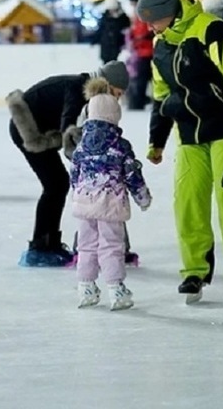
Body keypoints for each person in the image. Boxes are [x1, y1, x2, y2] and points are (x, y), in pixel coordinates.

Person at [136, 0, 223, 310]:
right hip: (189, 134)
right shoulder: (161, 45)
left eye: (154, 21)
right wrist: (156, 140)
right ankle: (195, 271)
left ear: (171, 11)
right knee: (188, 201)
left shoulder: (212, 29)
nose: (150, 27)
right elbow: (162, 96)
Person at [6, 61, 129, 267]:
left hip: (42, 128)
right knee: (55, 185)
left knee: (57, 184)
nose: (117, 99)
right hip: (28, 130)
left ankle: (47, 243)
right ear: (107, 85)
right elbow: (68, 124)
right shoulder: (78, 89)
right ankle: (41, 248)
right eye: (117, 93)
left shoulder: (89, 92)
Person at [70, 91, 152, 311]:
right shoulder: (120, 146)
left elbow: (74, 175)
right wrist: (143, 198)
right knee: (112, 246)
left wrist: (77, 196)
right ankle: (116, 289)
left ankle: (85, 287)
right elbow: (133, 174)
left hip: (84, 204)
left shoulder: (81, 146)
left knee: (85, 246)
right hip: (110, 204)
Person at [126, 0, 154, 111]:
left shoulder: (145, 14)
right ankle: (139, 101)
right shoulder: (137, 15)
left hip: (147, 51)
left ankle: (139, 102)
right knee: (140, 79)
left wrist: (139, 38)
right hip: (141, 51)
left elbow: (148, 31)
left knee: (141, 79)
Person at [93, 0, 130, 64]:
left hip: (117, 44)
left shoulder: (123, 17)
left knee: (115, 63)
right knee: (106, 63)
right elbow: (101, 29)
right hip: (106, 44)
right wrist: (95, 39)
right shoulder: (105, 16)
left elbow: (126, 29)